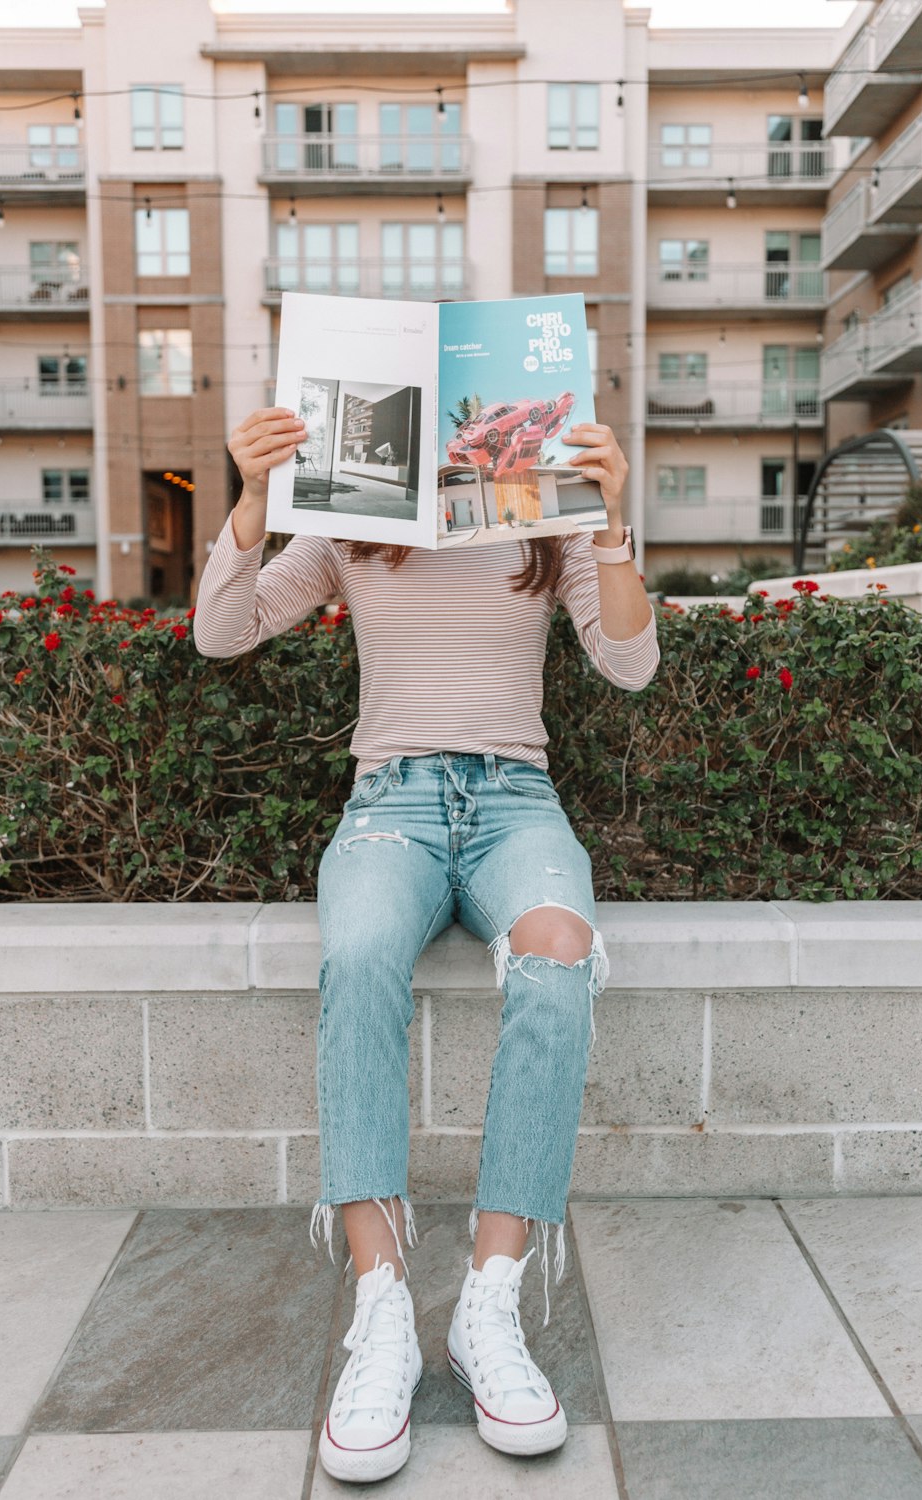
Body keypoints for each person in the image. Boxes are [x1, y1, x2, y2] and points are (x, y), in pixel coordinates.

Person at [192, 406, 660, 1485]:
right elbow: (224, 631)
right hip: (391, 803)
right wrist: (257, 496)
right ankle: (384, 1308)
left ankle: (488, 1309)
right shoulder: (355, 512)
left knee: (557, 959)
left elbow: (627, 663)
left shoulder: (550, 516)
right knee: (357, 962)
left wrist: (613, 517)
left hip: (515, 802)